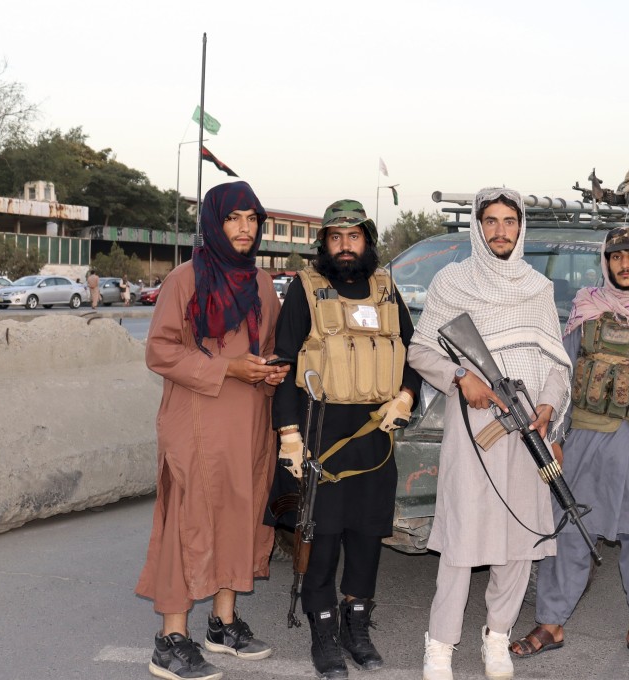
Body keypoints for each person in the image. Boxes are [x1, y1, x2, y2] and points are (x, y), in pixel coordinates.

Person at [510, 227, 629, 668]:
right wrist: (556, 438)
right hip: (588, 440)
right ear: (606, 263)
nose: (625, 264)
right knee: (570, 529)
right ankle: (551, 623)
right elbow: (563, 376)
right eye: (616, 256)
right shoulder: (586, 310)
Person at [409, 187, 572, 680]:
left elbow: (555, 363)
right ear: (478, 228)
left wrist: (548, 406)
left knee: (520, 541)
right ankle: (441, 643)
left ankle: (497, 636)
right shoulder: (452, 281)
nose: (501, 231)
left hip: (528, 430)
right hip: (474, 429)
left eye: (509, 221)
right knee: (463, 538)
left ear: (521, 228)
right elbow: (420, 350)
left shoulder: (537, 288)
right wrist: (462, 377)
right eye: (491, 221)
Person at [135, 181, 290, 680]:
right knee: (187, 520)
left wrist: (269, 370)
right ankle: (170, 639)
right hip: (196, 420)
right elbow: (160, 351)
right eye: (233, 218)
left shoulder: (261, 283)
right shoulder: (185, 279)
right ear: (213, 223)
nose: (245, 228)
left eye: (252, 219)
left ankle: (223, 625)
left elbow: (266, 345)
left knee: (239, 515)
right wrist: (228, 368)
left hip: (249, 423)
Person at [270, 200, 422, 679]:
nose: (345, 246)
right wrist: (288, 434)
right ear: (325, 244)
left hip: (375, 434)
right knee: (322, 537)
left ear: (367, 241)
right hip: (321, 432)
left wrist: (407, 395)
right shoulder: (305, 290)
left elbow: (414, 353)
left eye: (353, 236)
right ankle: (324, 631)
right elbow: (284, 365)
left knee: (367, 536)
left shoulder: (386, 290)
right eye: (335, 238)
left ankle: (357, 626)